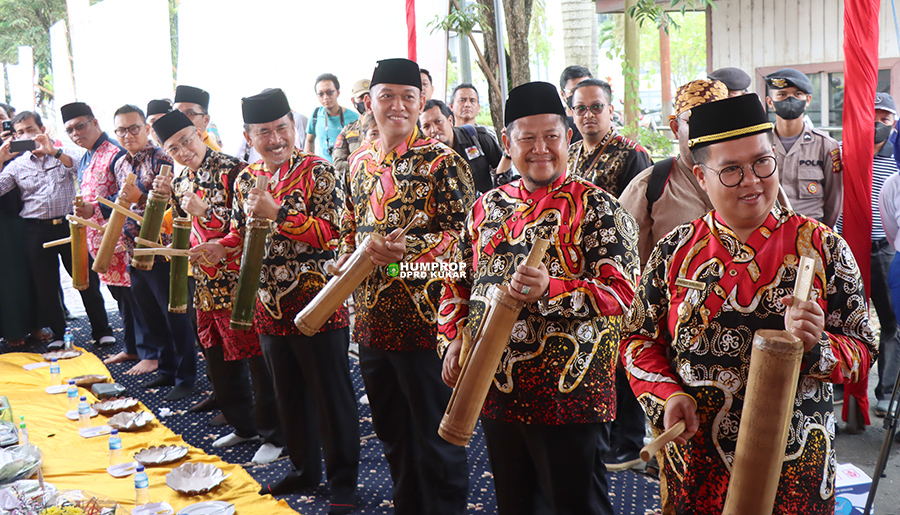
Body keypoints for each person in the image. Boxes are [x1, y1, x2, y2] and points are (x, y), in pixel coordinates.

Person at [621, 93, 876, 514]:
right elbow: (637, 340)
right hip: (697, 464)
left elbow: (863, 351)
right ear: (701, 177)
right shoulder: (673, 252)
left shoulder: (824, 247)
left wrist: (818, 346)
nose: (752, 181)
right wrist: (665, 396)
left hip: (794, 468)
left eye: (762, 162)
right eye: (731, 171)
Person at [440, 81, 640, 515]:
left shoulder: (600, 208)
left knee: (575, 504)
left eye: (551, 135)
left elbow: (625, 294)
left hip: (570, 391)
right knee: (515, 501)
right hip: (494, 383)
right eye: (526, 138)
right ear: (508, 144)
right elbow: (456, 277)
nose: (540, 148)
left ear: (567, 137)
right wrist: (452, 336)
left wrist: (554, 288)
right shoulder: (486, 207)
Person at [195, 88, 360, 511]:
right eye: (264, 132)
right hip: (267, 308)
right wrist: (221, 246)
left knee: (331, 396)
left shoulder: (319, 171)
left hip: (317, 306)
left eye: (282, 128)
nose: (275, 139)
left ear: (294, 126)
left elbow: (335, 234)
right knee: (288, 396)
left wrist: (281, 215)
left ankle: (343, 481)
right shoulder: (248, 178)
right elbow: (241, 232)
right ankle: (304, 469)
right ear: (249, 137)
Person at [340, 58, 474, 515]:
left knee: (437, 436)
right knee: (391, 430)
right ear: (369, 103)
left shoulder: (443, 162)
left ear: (420, 102)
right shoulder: (358, 163)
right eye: (387, 97)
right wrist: (345, 251)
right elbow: (349, 226)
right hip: (372, 324)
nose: (398, 106)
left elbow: (466, 242)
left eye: (408, 97)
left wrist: (409, 250)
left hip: (428, 324)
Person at [150, 109, 284, 464]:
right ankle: (244, 425)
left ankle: (275, 434)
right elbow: (184, 229)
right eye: (173, 148)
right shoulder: (179, 181)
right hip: (205, 283)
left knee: (256, 361)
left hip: (241, 283)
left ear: (199, 132)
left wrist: (206, 212)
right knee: (218, 361)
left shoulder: (233, 170)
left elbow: (251, 227)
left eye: (186, 141)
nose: (183, 151)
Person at [0, 111, 114, 348]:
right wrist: (0, 160)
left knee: (85, 279)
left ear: (42, 129)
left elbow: (80, 167)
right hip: (35, 230)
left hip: (70, 225)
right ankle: (60, 335)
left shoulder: (64, 153)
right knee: (45, 285)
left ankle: (102, 330)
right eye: (20, 132)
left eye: (30, 129)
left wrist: (53, 151)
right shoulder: (16, 165)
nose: (25, 135)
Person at [61, 102, 154, 372]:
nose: (76, 133)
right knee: (121, 298)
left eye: (80, 125)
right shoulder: (88, 154)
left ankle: (149, 352)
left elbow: (129, 192)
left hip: (120, 237)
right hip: (98, 239)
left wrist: (96, 208)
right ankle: (132, 347)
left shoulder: (115, 152)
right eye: (69, 130)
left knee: (135, 298)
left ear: (95, 123)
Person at [111, 104, 196, 400]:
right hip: (135, 250)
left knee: (176, 315)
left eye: (134, 127)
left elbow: (179, 205)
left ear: (147, 129)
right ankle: (167, 368)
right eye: (121, 130)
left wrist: (142, 197)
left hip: (163, 251)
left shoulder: (165, 158)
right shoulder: (120, 163)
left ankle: (186, 376)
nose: (128, 134)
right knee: (151, 315)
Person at [619, 79, 730, 264]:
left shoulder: (749, 180)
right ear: (676, 128)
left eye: (715, 120)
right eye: (693, 121)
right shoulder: (648, 186)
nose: (704, 130)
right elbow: (622, 263)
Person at [765, 68, 842, 227]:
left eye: (797, 94)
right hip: (769, 229)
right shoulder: (761, 144)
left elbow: (834, 199)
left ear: (808, 100)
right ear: (770, 102)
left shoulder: (825, 145)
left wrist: (822, 234)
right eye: (782, 94)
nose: (790, 99)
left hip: (811, 231)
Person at [567, 78, 650, 197]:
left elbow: (640, 208)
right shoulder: (570, 153)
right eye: (580, 108)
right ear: (573, 115)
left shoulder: (632, 154)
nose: (588, 115)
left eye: (597, 107)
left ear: (611, 111)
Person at [0, 103, 39, 348]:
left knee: (34, 272)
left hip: (28, 213)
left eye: (2, 117)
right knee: (9, 276)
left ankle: (37, 325)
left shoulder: (21, 139)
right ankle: (13, 329)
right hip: (3, 223)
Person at [419, 99, 508, 195]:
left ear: (450, 120)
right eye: (426, 127)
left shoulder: (476, 137)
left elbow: (504, 173)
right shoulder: (422, 160)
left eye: (438, 121)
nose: (434, 130)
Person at [875, 93, 900, 419]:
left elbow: (891, 231)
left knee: (891, 324)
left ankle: (885, 391)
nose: (878, 124)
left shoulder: (895, 160)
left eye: (885, 118)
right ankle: (844, 388)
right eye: (873, 116)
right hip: (846, 246)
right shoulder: (843, 153)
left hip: (883, 250)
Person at [305, 73, 359, 163]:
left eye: (329, 92)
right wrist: (308, 164)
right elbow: (309, 140)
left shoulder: (354, 118)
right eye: (321, 94)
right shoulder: (315, 115)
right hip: (324, 172)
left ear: (338, 92)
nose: (325, 97)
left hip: (346, 171)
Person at [332, 79, 371, 175]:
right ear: (353, 101)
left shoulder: (387, 127)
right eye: (361, 97)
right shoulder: (347, 131)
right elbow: (338, 164)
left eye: (370, 96)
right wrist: (364, 166)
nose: (366, 101)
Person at [173, 85, 221, 151]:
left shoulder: (211, 153)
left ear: (205, 120)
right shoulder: (173, 147)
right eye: (177, 113)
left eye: (190, 114)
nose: (181, 119)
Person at [559, 65, 591, 144]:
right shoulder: (556, 122)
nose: (580, 96)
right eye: (574, 91)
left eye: (585, 90)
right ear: (563, 94)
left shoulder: (598, 120)